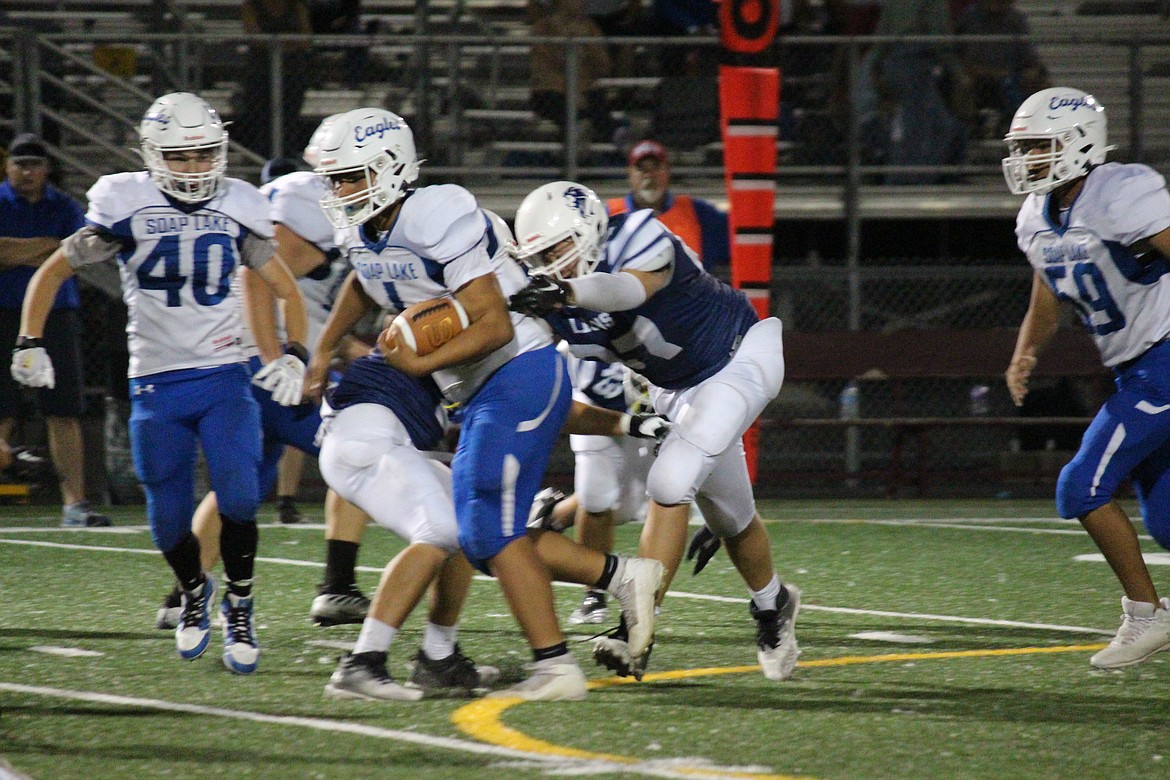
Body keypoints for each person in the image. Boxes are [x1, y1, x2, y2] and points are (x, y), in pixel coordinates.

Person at [307, 108, 664, 701]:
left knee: (487, 530)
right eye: (333, 178)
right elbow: (364, 279)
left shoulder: (436, 211)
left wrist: (416, 364)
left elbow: (495, 324)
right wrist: (323, 346)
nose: (337, 190)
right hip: (479, 387)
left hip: (517, 366)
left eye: (349, 176)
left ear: (391, 169)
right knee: (477, 531)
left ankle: (556, 665)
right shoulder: (364, 227)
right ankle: (618, 579)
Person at [12, 92, 309, 675]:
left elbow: (286, 289)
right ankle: (195, 591)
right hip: (155, 383)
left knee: (242, 494)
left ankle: (241, 602)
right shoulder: (125, 202)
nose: (195, 169)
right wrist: (28, 338)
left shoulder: (237, 206)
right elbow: (55, 269)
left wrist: (296, 352)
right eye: (181, 157)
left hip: (224, 377)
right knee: (166, 518)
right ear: (152, 156)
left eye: (204, 155)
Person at [508, 181, 799, 683]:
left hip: (740, 355)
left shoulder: (637, 232)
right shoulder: (559, 305)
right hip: (678, 394)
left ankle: (633, 631)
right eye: (538, 257)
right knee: (732, 517)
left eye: (554, 250)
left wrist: (567, 291)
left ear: (586, 232)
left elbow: (629, 289)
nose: (547, 265)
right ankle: (774, 606)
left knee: (669, 480)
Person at [156, 118, 374, 632]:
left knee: (245, 482)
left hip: (234, 351)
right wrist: (280, 359)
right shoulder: (313, 203)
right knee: (360, 442)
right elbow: (257, 279)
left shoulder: (296, 195)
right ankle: (337, 588)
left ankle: (181, 597)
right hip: (258, 358)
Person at [1003, 87, 1170, 669]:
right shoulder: (1036, 216)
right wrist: (1026, 352)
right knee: (1168, 520)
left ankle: (1146, 616)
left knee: (1080, 487)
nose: (1026, 160)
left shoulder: (1120, 192)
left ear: (1078, 144)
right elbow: (1049, 292)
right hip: (1134, 370)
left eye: (1038, 147)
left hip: (1166, 362)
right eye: (1022, 148)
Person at [0, 134, 110, 527]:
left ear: (46, 168)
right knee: (3, 410)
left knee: (64, 409)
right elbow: (48, 252)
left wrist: (18, 252)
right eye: (19, 164)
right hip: (4, 313)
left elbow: (75, 256)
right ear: (8, 166)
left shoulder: (64, 206)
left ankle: (75, 504)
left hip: (57, 316)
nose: (26, 172)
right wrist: (46, 249)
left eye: (34, 164)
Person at [607, 140, 729, 270]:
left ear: (667, 172)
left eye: (656, 167)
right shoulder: (608, 215)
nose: (649, 175)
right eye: (642, 168)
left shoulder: (699, 212)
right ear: (629, 173)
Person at [529, 0, 620, 147]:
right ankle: (581, 134)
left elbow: (604, 67)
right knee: (555, 100)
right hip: (553, 90)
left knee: (597, 98)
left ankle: (616, 138)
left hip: (585, 90)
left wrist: (588, 44)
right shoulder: (543, 28)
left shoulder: (590, 28)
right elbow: (548, 66)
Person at [955, 0, 1049, 139]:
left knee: (1038, 84)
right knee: (963, 84)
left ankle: (1031, 132)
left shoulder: (1016, 20)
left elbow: (1029, 58)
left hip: (1011, 79)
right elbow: (962, 58)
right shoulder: (970, 18)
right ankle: (968, 131)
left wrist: (1030, 71)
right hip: (978, 79)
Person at [233, 0, 314, 157]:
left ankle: (286, 158)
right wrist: (289, 43)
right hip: (261, 73)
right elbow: (255, 37)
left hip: (292, 73)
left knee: (289, 118)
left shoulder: (296, 5)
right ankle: (259, 159)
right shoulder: (252, 5)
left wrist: (276, 44)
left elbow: (306, 39)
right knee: (260, 118)